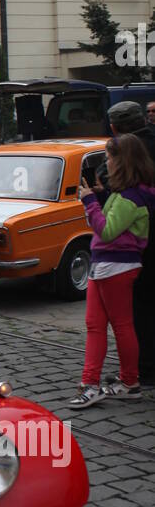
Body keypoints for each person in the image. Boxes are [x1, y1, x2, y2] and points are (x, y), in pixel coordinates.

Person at [71, 134, 155, 407]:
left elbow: (107, 230)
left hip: (115, 265)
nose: (106, 164)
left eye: (109, 158)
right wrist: (101, 196)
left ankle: (125, 382)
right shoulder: (125, 194)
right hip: (106, 264)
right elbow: (114, 223)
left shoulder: (132, 197)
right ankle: (100, 382)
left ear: (123, 161)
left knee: (118, 325)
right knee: (97, 324)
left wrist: (89, 202)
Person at [103, 101, 155, 384]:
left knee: (140, 307)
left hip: (136, 239)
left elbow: (114, 189)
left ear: (114, 127)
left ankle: (144, 369)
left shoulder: (125, 150)